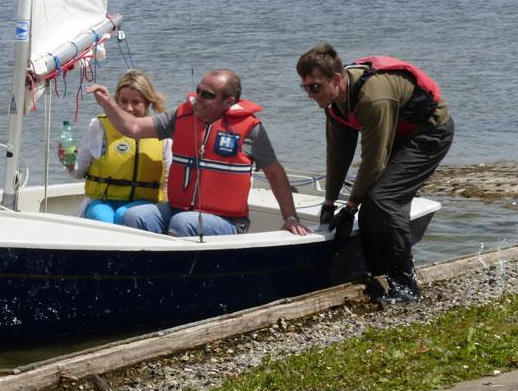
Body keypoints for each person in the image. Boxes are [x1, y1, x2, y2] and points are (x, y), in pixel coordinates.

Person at [296, 43, 454, 304]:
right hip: (398, 135)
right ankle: (377, 274)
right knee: (371, 200)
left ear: (336, 79)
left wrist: (349, 207)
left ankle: (406, 287)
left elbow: (374, 161)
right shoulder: (335, 103)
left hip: (429, 134)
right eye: (305, 88)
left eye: (315, 87)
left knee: (384, 199)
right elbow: (338, 155)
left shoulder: (373, 98)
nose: (311, 95)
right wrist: (329, 202)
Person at [87, 69, 311, 237]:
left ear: (228, 101)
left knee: (184, 223)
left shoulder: (250, 130)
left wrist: (290, 218)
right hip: (178, 208)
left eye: (208, 95)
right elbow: (133, 128)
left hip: (228, 221)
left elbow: (275, 173)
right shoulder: (181, 117)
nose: (198, 98)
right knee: (134, 216)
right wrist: (108, 103)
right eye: (199, 91)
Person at [59, 69, 172, 224]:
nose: (129, 108)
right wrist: (69, 163)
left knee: (125, 216)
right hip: (103, 201)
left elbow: (169, 180)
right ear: (116, 102)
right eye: (123, 101)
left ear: (148, 103)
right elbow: (77, 173)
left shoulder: (162, 135)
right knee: (104, 218)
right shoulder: (99, 127)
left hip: (144, 203)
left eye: (136, 102)